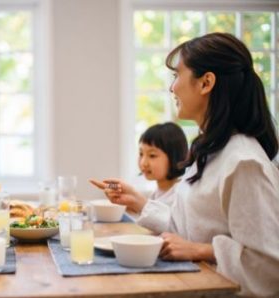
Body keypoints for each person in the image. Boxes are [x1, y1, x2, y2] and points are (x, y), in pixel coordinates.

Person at [93, 32, 279, 296]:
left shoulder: (243, 161)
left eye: (176, 76)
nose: (172, 88)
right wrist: (138, 201)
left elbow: (269, 265)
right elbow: (187, 229)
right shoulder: (210, 151)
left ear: (206, 83)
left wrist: (202, 250)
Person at [90, 122, 188, 227]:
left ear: (175, 156)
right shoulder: (156, 192)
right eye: (141, 154)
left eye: (152, 155)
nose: (143, 163)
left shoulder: (181, 196)